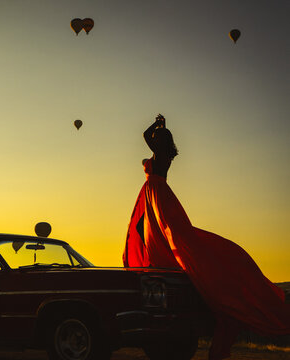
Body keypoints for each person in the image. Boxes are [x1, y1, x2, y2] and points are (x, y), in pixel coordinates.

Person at [123, 114, 290, 360]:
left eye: (157, 137)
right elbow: (149, 137)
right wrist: (162, 127)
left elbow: (145, 136)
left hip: (158, 200)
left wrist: (157, 127)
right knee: (157, 236)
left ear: (160, 143)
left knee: (173, 238)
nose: (153, 139)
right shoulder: (164, 153)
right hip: (155, 199)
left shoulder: (159, 156)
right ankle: (163, 263)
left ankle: (171, 266)